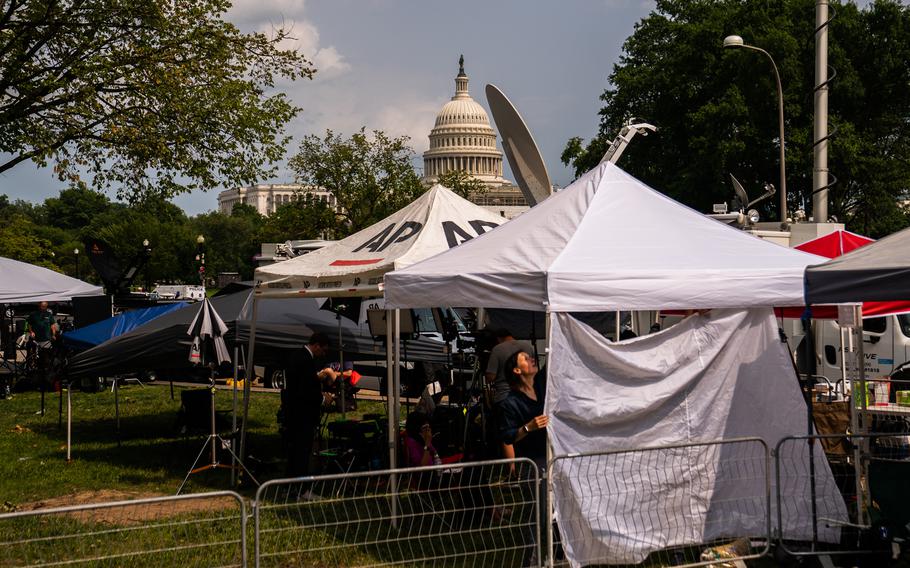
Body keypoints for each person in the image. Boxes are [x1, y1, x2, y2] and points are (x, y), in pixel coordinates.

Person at [282, 332, 340, 483]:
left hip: (293, 413)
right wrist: (323, 399)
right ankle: (301, 488)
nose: (323, 354)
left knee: (294, 452)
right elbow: (305, 390)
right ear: (316, 345)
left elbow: (301, 381)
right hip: (303, 415)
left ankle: (290, 485)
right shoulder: (306, 360)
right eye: (323, 350)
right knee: (302, 452)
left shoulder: (297, 355)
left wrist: (315, 379)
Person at [485, 329, 533, 462]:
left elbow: (491, 376)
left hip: (505, 396)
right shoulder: (528, 346)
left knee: (507, 436)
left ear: (498, 338)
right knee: (526, 429)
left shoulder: (497, 349)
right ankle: (528, 462)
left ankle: (512, 471)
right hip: (526, 396)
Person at [498, 350, 548, 469]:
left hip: (554, 455)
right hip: (532, 463)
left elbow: (554, 358)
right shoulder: (510, 403)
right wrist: (528, 427)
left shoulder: (542, 384)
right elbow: (508, 436)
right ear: (517, 370)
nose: (532, 359)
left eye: (530, 357)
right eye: (526, 359)